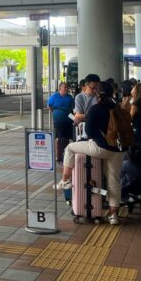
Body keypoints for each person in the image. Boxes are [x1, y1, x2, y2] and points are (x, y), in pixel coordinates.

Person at [57, 81, 125, 225]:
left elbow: (90, 132)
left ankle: (65, 180)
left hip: (101, 147)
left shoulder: (96, 108)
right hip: (119, 149)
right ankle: (113, 216)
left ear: (97, 93)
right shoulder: (118, 107)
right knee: (114, 180)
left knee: (69, 148)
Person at [48, 82, 75, 163]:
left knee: (66, 138)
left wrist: (74, 119)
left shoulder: (70, 97)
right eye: (65, 87)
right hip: (58, 120)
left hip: (68, 119)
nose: (66, 88)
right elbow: (49, 105)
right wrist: (54, 113)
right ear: (60, 88)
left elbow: (72, 109)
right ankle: (58, 157)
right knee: (59, 138)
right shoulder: (54, 96)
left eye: (67, 87)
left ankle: (66, 155)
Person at [73, 74, 100, 139]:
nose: (95, 90)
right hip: (86, 130)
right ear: (86, 86)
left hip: (99, 130)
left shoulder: (99, 97)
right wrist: (93, 116)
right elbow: (78, 116)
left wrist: (84, 116)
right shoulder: (79, 97)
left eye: (97, 88)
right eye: (92, 88)